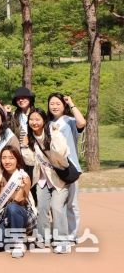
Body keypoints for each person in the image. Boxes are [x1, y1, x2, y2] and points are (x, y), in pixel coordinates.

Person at [23, 108, 73, 253]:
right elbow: (30, 161)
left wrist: (55, 135)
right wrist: (25, 146)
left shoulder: (53, 133)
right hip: (42, 180)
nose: (34, 122)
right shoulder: (31, 137)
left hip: (58, 179)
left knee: (57, 208)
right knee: (42, 209)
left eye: (37, 119)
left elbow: (61, 153)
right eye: (31, 120)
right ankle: (42, 238)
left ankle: (62, 240)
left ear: (44, 120)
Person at [46, 92, 85, 242]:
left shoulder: (70, 121)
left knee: (72, 203)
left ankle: (73, 234)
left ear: (63, 106)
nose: (54, 106)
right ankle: (59, 233)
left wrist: (71, 103)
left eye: (58, 103)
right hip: (53, 169)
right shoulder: (47, 124)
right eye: (52, 104)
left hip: (71, 168)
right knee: (56, 203)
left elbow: (82, 123)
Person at [0, 146, 36, 258]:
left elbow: (19, 200)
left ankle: (18, 243)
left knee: (12, 207)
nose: (7, 161)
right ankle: (14, 237)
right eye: (4, 158)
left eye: (11, 158)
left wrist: (22, 187)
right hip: (5, 218)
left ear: (17, 160)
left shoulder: (23, 176)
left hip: (22, 214)